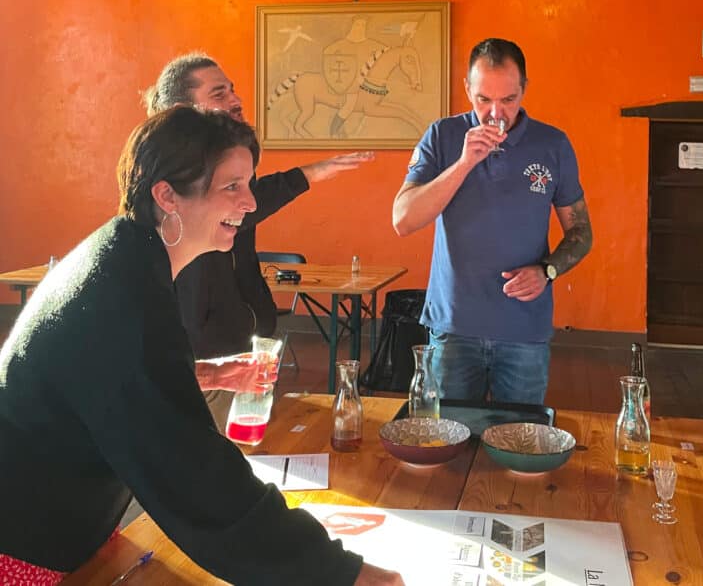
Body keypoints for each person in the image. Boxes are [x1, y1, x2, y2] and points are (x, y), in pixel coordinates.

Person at [0, 107, 402, 586]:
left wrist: (206, 374)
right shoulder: (124, 293)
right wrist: (340, 573)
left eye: (248, 184)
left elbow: (107, 380)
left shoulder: (125, 256)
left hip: (63, 523)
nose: (249, 202)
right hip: (24, 547)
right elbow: (192, 475)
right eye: (231, 186)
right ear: (167, 195)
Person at [145, 52, 374, 430]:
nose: (235, 100)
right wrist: (210, 374)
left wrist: (312, 173)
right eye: (219, 94)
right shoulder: (170, 200)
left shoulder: (215, 176)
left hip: (238, 357)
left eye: (232, 90)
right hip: (206, 370)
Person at [392, 38, 592, 404]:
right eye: (484, 99)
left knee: (519, 434)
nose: (496, 113)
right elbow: (402, 220)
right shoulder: (442, 136)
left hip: (524, 331)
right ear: (467, 89)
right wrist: (464, 163)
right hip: (454, 328)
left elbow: (581, 232)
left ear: (524, 89)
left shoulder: (553, 144)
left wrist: (547, 271)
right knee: (447, 431)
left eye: (508, 100)